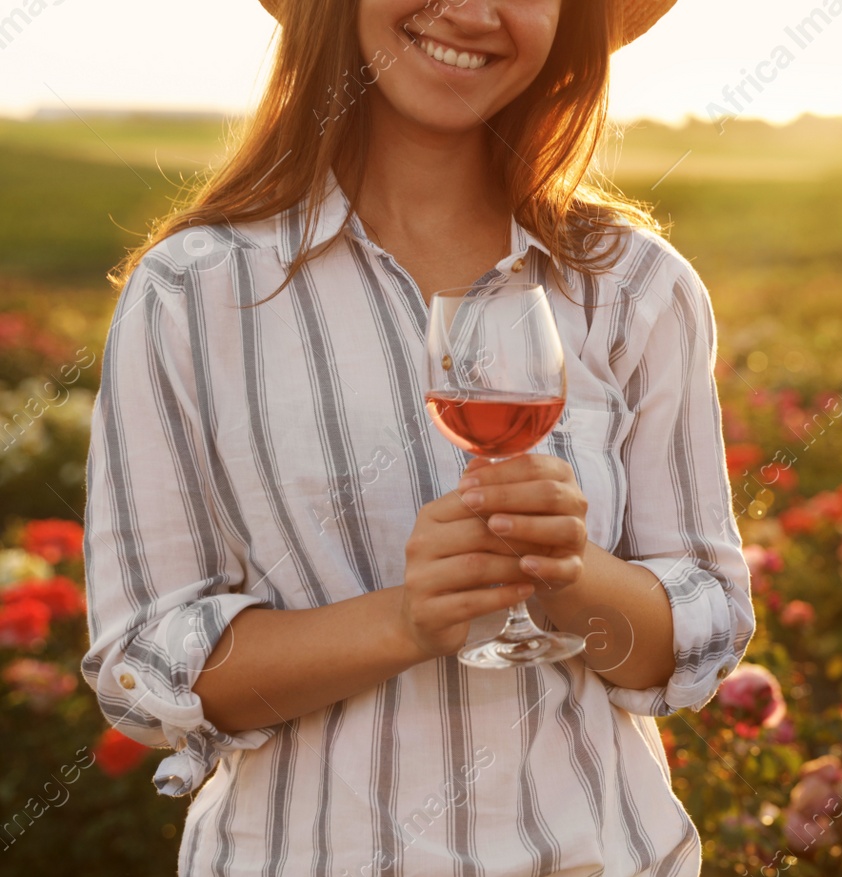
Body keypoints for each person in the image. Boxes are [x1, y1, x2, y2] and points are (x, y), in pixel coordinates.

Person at [79, 0, 756, 874]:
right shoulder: (193, 290)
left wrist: (568, 569)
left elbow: (695, 632)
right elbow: (146, 660)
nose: (472, 12)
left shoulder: (635, 288)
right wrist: (403, 619)